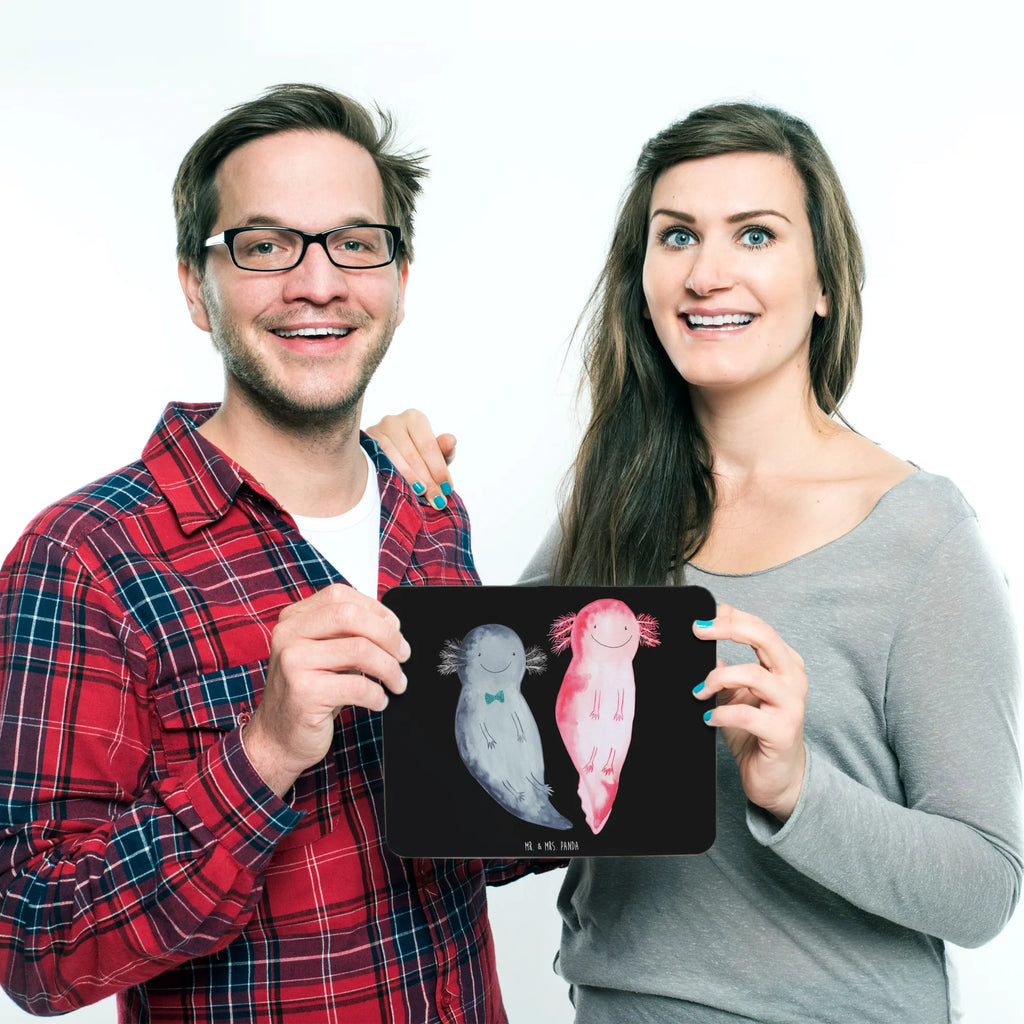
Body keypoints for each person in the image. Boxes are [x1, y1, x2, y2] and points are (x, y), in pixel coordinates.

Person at [368, 102, 1023, 1022]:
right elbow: (455, 755)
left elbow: (984, 888)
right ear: (642, 278)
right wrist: (387, 491)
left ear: (825, 281)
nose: (708, 273)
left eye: (754, 233)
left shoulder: (921, 538)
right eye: (676, 235)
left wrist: (799, 789)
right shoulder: (613, 506)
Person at [0, 83, 542, 1023]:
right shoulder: (86, 559)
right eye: (265, 246)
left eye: (355, 243)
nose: (318, 282)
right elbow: (36, 948)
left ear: (399, 282)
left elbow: (474, 846)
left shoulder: (428, 505)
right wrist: (264, 753)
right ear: (196, 289)